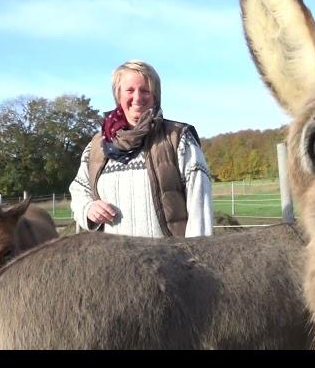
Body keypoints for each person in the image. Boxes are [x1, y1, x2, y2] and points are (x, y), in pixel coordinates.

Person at [69, 60, 213, 237]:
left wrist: (197, 254)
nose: (137, 97)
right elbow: (79, 188)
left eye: (145, 90)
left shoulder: (178, 138)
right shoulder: (98, 145)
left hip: (171, 260)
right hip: (114, 260)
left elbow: (200, 203)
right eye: (130, 90)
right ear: (118, 95)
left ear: (155, 96)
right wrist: (88, 208)